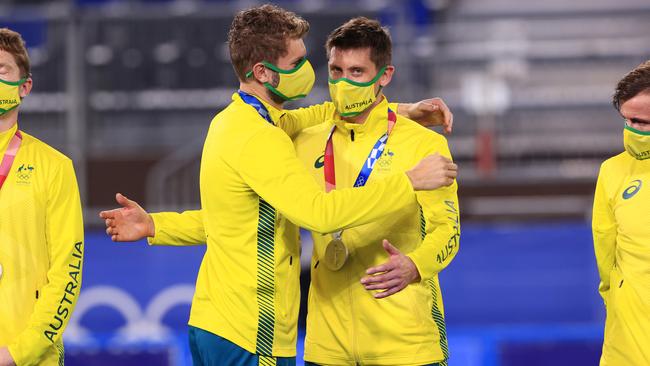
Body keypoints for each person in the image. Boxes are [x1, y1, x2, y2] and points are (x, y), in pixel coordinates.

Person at [101, 5, 456, 366]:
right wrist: (408, 181)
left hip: (399, 343)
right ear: (262, 72)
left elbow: (235, 220)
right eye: (304, 65)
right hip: (275, 335)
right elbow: (320, 213)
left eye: (356, 72)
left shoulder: (237, 122)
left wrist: (157, 225)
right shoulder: (276, 139)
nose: (323, 76)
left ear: (384, 75)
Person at [0, 28, 84, 366]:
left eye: (1, 70)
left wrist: (17, 353)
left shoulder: (54, 167)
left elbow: (68, 272)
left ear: (24, 87)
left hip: (33, 358)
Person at [592, 60, 650, 366]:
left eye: (642, 122)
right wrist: (617, 299)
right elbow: (606, 252)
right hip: (625, 342)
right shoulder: (612, 171)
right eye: (627, 120)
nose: (631, 130)